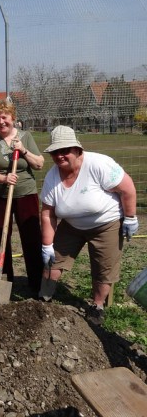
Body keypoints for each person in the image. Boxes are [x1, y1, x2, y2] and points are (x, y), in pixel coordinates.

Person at [40, 125, 138, 324]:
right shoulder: (52, 177)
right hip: (71, 225)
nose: (60, 156)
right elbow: (48, 213)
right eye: (55, 152)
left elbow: (127, 189)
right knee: (53, 261)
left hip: (106, 223)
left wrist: (130, 217)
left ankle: (97, 305)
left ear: (77, 150)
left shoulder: (98, 164)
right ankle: (44, 299)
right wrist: (47, 245)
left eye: (64, 151)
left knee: (104, 267)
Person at [0, 101, 44, 294]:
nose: (1, 122)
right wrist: (4, 178)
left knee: (31, 236)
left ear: (12, 118)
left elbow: (39, 164)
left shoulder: (25, 136)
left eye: (4, 117)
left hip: (25, 193)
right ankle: (4, 281)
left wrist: (23, 150)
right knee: (1, 236)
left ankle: (37, 282)